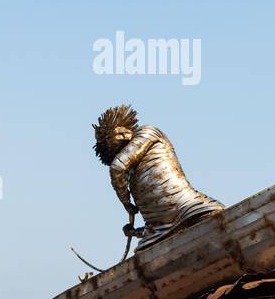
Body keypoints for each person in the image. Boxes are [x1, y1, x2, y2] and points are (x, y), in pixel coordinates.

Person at [92, 104, 223, 251]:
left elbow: (117, 167)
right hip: (160, 233)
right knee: (142, 253)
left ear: (123, 133)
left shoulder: (147, 132)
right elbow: (158, 224)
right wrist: (134, 232)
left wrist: (126, 203)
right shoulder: (132, 172)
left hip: (192, 211)